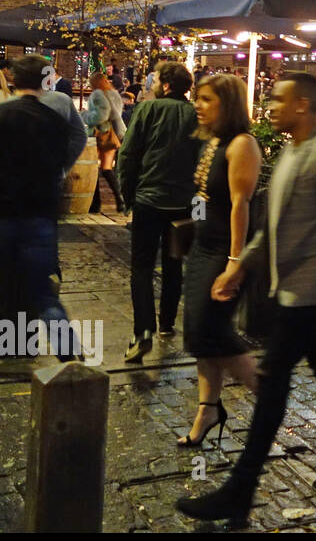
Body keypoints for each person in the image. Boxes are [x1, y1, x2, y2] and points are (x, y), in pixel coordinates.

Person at [176, 73, 316, 524]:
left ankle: (239, 492)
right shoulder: (289, 150)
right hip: (292, 289)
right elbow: (271, 224)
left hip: (312, 294)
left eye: (279, 99)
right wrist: (241, 266)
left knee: (272, 390)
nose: (269, 104)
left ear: (304, 105)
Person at [177, 74, 262, 449]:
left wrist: (234, 262)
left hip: (223, 252)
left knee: (212, 329)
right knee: (199, 333)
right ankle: (207, 410)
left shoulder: (241, 143)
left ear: (226, 104)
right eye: (198, 98)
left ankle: (267, 392)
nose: (198, 105)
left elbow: (241, 205)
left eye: (207, 99)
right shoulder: (211, 140)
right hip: (202, 246)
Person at [0, 56, 83, 361]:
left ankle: (10, 346)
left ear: (14, 80)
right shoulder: (55, 122)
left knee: (6, 284)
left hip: (5, 214)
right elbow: (69, 149)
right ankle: (69, 354)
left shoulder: (3, 114)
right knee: (44, 292)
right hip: (41, 215)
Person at [117, 61, 199, 362]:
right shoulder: (195, 115)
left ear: (165, 85)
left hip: (149, 200)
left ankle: (143, 331)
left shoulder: (148, 110)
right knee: (174, 262)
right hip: (183, 203)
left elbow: (127, 154)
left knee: (141, 266)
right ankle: (166, 323)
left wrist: (128, 196)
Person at [83, 72, 127, 215]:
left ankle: (95, 204)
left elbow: (101, 115)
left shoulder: (97, 94)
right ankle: (120, 201)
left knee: (94, 168)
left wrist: (84, 115)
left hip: (100, 134)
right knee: (107, 168)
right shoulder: (114, 94)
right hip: (114, 134)